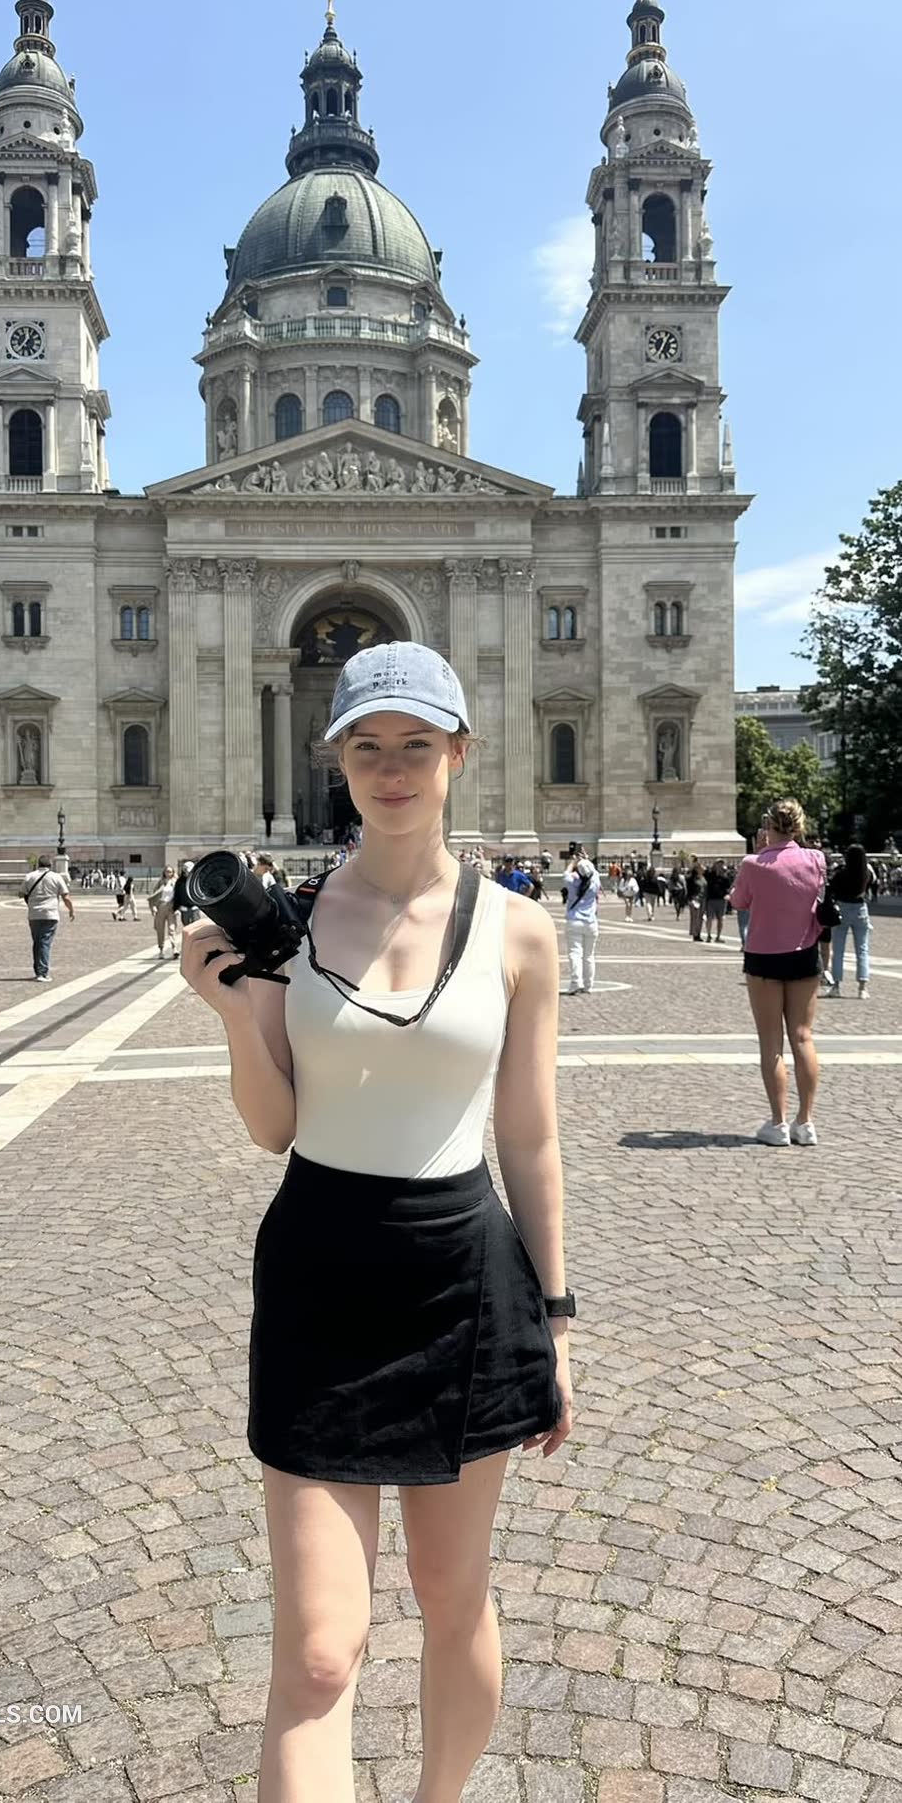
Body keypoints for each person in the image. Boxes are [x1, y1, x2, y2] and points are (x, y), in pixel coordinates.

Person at [179, 638, 573, 1798]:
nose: (391, 768)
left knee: (453, 1599)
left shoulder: (519, 929)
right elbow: (274, 1126)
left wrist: (556, 1320)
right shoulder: (292, 926)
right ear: (336, 760)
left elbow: (529, 1137)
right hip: (320, 1271)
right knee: (316, 1650)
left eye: (415, 744)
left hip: (465, 1277)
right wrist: (233, 1015)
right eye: (366, 747)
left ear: (459, 754)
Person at [729, 798, 824, 1146]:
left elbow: (738, 901)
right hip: (804, 953)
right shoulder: (815, 859)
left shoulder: (754, 863)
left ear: (768, 827)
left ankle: (778, 1123)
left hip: (764, 956)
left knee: (771, 1043)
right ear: (799, 826)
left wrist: (760, 853)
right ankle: (806, 1122)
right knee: (803, 1037)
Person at [826, 843, 872, 1000]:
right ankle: (862, 987)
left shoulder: (841, 873)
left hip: (842, 908)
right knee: (862, 949)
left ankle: (836, 986)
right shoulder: (866, 873)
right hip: (860, 909)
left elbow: (831, 888)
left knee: (838, 950)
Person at [20, 853, 75, 981]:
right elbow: (65, 897)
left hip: (34, 914)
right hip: (51, 914)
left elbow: (21, 893)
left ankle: (38, 970)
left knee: (37, 942)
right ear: (50, 865)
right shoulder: (56, 877)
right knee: (45, 942)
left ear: (38, 864)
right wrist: (71, 910)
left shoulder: (30, 876)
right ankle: (43, 973)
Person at [564, 856, 601, 993]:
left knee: (575, 954)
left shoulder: (572, 882)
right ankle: (588, 985)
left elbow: (565, 874)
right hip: (591, 922)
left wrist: (572, 862)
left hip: (574, 920)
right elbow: (594, 872)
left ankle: (575, 982)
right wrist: (586, 859)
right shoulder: (595, 882)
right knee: (589, 956)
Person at [148, 865, 179, 958]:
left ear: (173, 873)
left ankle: (174, 948)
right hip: (161, 906)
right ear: (164, 872)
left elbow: (179, 896)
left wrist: (177, 908)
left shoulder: (176, 882)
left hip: (171, 907)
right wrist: (153, 906)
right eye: (167, 871)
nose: (168, 873)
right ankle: (161, 950)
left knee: (172, 928)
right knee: (160, 929)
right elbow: (153, 896)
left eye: (170, 871)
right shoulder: (160, 882)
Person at [703, 861, 730, 943]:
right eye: (718, 865)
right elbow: (703, 871)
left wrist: (727, 895)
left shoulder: (725, 877)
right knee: (709, 918)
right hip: (711, 900)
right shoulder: (710, 875)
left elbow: (728, 888)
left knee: (720, 919)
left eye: (721, 865)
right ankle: (708, 935)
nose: (720, 867)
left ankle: (718, 936)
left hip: (721, 900)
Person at [171, 858, 199, 930]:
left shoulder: (196, 881)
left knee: (196, 927)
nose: (188, 873)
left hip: (195, 907)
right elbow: (177, 895)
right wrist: (175, 908)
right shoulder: (179, 882)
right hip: (184, 909)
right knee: (187, 928)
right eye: (186, 871)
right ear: (184, 870)